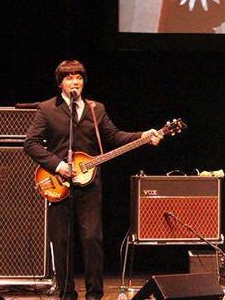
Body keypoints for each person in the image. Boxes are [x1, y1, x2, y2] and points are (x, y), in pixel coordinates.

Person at [23, 60, 163, 300]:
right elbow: (31, 143)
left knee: (92, 239)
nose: (75, 81)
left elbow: (114, 136)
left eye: (78, 77)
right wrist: (58, 165)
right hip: (59, 184)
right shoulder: (46, 110)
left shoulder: (96, 108)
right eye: (69, 78)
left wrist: (142, 136)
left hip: (90, 186)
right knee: (62, 241)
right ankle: (67, 293)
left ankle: (94, 294)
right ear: (60, 84)